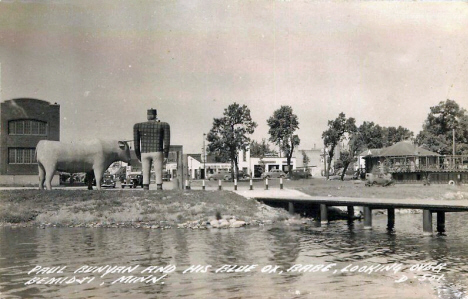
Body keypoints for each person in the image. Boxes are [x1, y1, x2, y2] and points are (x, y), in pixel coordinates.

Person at [133, 108, 171, 190]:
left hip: (144, 152)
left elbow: (136, 145)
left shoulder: (138, 126)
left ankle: (146, 188)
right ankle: (159, 187)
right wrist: (166, 155)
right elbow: (167, 143)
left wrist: (138, 156)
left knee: (145, 172)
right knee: (158, 172)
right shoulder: (164, 125)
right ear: (155, 116)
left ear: (147, 116)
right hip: (158, 151)